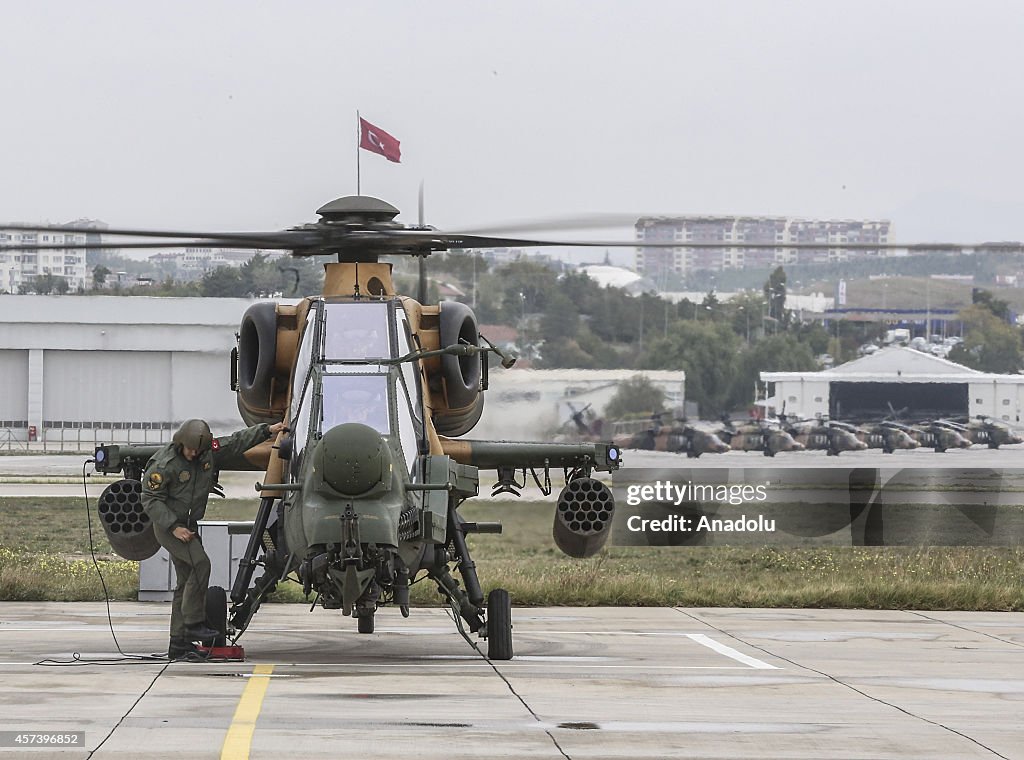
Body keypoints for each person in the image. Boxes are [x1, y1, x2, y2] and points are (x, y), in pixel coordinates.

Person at [142, 418, 285, 660]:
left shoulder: (207, 452)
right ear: (180, 444)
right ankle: (194, 624)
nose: (193, 454)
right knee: (201, 564)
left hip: (188, 526)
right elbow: (150, 499)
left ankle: (178, 645)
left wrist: (267, 430)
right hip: (169, 527)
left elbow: (236, 442)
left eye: (198, 450)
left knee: (185, 582)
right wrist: (174, 527)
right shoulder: (164, 464)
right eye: (190, 449)